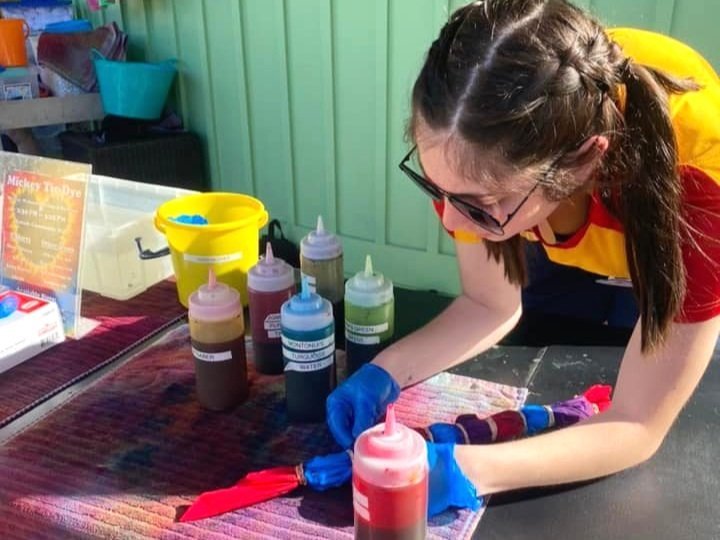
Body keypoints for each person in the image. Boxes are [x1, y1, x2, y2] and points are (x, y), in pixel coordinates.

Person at [325, 0, 720, 516]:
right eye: (437, 188)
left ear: (584, 164)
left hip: (664, 227)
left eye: (478, 204)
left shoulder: (699, 191)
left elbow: (637, 422)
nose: (452, 221)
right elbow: (490, 302)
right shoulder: (471, 141)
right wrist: (386, 371)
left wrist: (469, 468)